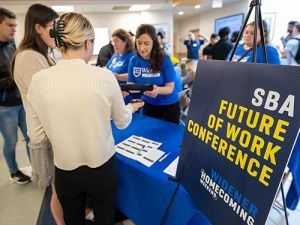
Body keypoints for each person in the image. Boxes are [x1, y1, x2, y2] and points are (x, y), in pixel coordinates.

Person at [26, 12, 143, 225]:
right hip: (102, 168)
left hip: (64, 170)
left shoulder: (38, 81)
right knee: (105, 217)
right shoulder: (103, 77)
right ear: (88, 43)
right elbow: (122, 121)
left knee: (72, 219)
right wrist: (131, 107)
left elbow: (35, 136)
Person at [11, 4, 66, 225]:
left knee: (61, 187)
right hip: (44, 135)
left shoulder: (41, 54)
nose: (56, 32)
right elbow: (47, 97)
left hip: (52, 130)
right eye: (53, 27)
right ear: (38, 28)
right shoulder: (28, 58)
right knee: (57, 189)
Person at [0, 7, 30, 184]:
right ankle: (13, 171)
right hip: (5, 107)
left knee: (30, 139)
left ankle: (37, 169)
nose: (14, 29)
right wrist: (13, 78)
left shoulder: (12, 45)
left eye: (15, 25)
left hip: (22, 102)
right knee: (11, 142)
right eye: (10, 25)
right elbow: (13, 74)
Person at [128, 24, 180, 124]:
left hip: (169, 104)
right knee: (150, 135)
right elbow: (131, 84)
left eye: (147, 43)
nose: (142, 48)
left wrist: (157, 90)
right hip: (149, 104)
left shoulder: (164, 59)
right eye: (139, 43)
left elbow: (170, 88)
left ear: (153, 43)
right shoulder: (133, 61)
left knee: (169, 137)